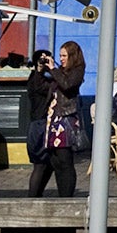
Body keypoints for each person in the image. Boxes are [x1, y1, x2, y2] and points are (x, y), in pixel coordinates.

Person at [30, 42, 86, 198]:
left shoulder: (77, 71)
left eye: (64, 56)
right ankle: (62, 196)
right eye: (60, 55)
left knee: (65, 160)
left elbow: (67, 85)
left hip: (65, 119)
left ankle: (67, 197)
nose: (61, 59)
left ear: (72, 56)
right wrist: (40, 71)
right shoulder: (59, 72)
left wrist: (53, 69)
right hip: (53, 120)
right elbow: (41, 88)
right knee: (55, 160)